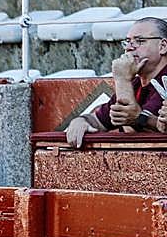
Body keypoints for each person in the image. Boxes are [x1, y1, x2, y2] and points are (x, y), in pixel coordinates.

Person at [66, 17, 167, 146]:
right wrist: (81, 121)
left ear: (162, 46)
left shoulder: (162, 80)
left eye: (139, 41)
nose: (129, 48)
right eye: (128, 42)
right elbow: (99, 120)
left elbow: (130, 125)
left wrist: (122, 79)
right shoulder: (136, 83)